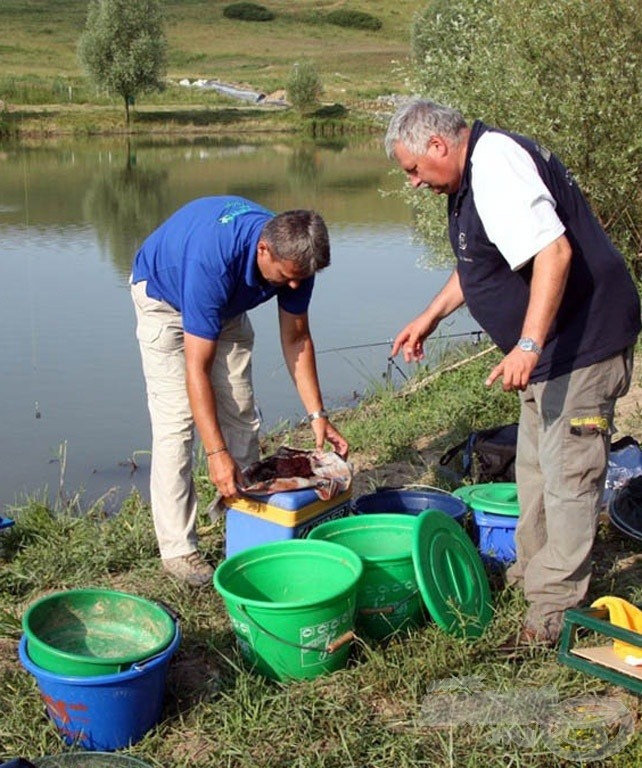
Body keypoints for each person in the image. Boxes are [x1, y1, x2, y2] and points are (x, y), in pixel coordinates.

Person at [385, 99, 641, 648]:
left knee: (570, 479)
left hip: (581, 347)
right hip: (548, 356)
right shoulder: (470, 176)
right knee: (535, 471)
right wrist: (429, 317)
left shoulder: (495, 163)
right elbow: (480, 260)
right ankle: (530, 576)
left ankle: (552, 616)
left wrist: (527, 342)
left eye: (412, 169)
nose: (412, 182)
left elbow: (554, 252)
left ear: (437, 145)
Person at [130, 196, 348, 587]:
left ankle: (248, 523)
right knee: (177, 425)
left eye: (302, 278)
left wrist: (318, 415)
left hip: (227, 307)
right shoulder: (211, 261)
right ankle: (179, 550)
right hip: (165, 299)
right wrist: (215, 454)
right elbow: (195, 368)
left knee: (242, 415)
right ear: (263, 250)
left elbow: (297, 337)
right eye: (287, 277)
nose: (295, 286)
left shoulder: (297, 256)